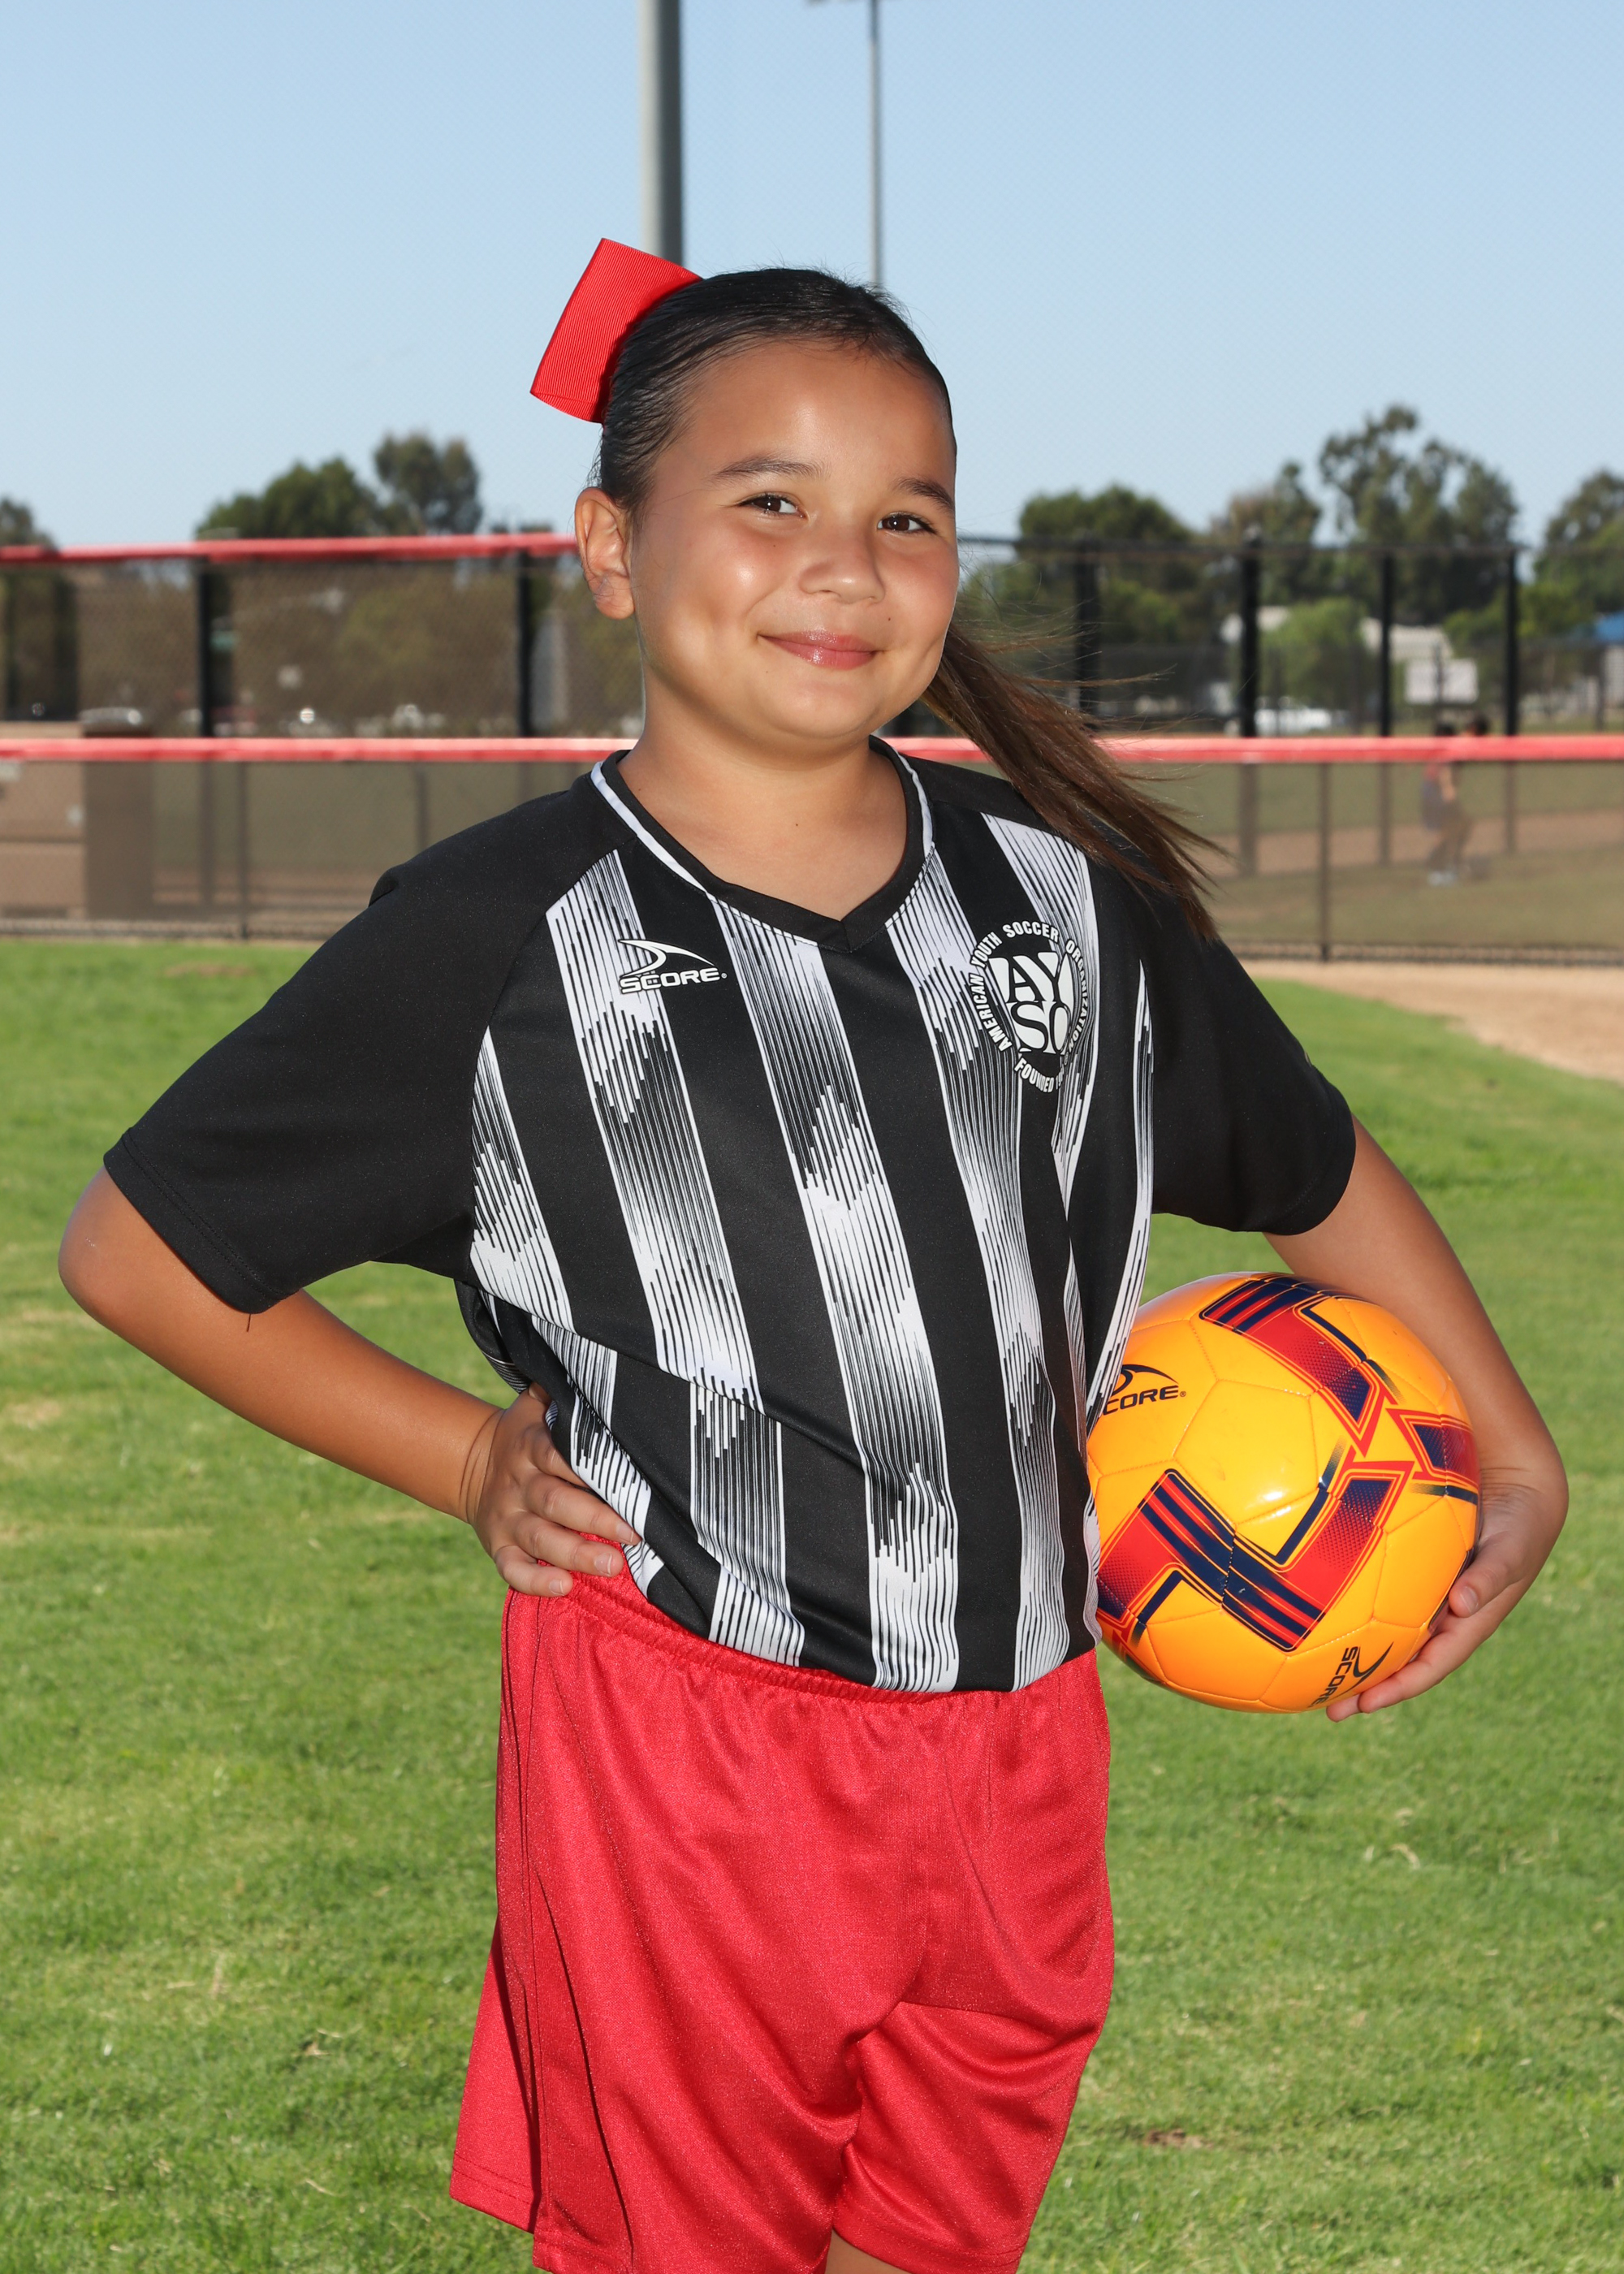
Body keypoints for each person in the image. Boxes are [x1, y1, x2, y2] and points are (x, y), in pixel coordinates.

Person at [58, 244, 1566, 2274]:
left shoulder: (1064, 905)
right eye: (769, 499)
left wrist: (1509, 1442)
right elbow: (143, 1249)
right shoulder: (504, 937)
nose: (841, 567)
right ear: (611, 546)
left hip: (1022, 1746)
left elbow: (1307, 1157)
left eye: (904, 518)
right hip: (691, 1748)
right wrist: (463, 1453)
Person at [1422, 720, 1473, 883]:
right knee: (1450, 830)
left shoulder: (1441, 749)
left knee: (1458, 827)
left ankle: (1448, 864)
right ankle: (1440, 868)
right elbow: (1446, 775)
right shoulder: (1446, 751)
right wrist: (1449, 796)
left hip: (1431, 792)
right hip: (1437, 794)